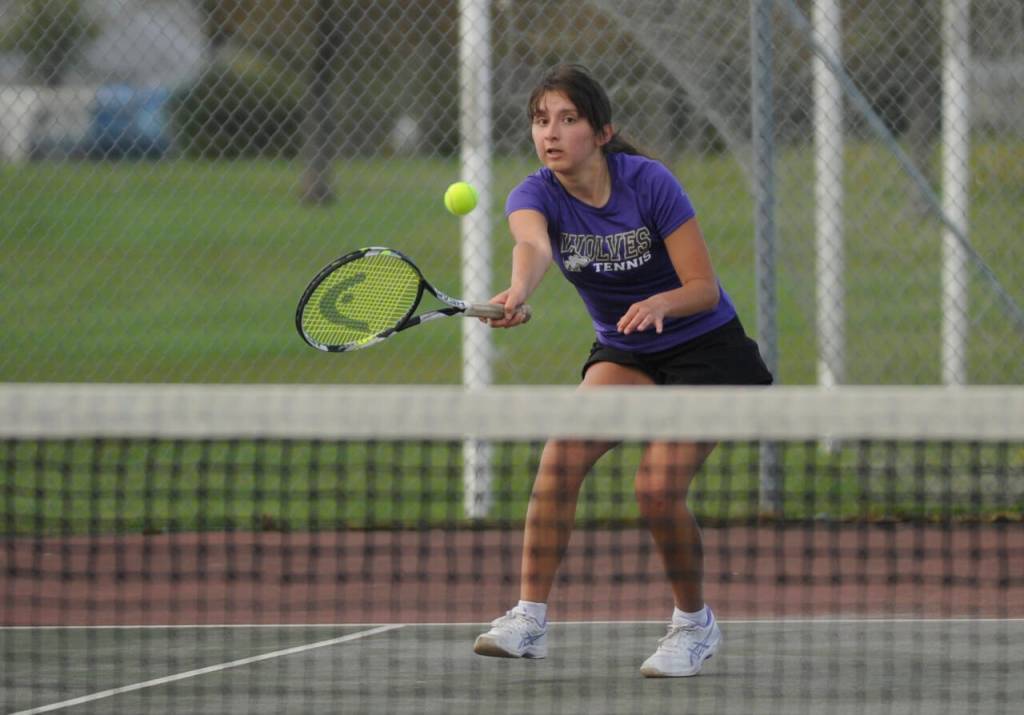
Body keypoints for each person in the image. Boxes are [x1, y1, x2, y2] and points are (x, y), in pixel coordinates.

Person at [472, 63, 773, 677]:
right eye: (539, 120)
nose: (550, 133)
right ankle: (529, 618)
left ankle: (694, 624)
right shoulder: (534, 194)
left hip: (706, 347)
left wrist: (663, 301)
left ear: (602, 131)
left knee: (655, 490)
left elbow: (704, 288)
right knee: (561, 457)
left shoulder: (649, 183)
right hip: (629, 350)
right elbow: (532, 247)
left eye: (567, 119)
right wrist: (517, 291)